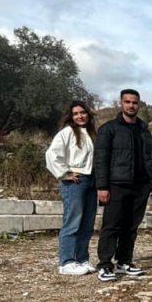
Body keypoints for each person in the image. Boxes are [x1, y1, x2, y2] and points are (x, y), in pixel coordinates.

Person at [93, 89, 152, 282]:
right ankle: (105, 265)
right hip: (117, 184)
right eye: (127, 102)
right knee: (112, 225)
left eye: (135, 102)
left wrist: (151, 181)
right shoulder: (108, 129)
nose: (131, 106)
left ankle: (124, 261)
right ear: (121, 103)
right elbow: (101, 159)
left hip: (140, 185)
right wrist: (102, 186)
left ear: (139, 105)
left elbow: (148, 157)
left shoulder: (144, 130)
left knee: (131, 226)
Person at [45, 99, 97, 275]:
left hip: (92, 180)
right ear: (71, 116)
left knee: (87, 223)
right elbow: (52, 155)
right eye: (76, 113)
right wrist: (65, 174)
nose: (80, 116)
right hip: (75, 181)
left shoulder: (91, 134)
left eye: (82, 112)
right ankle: (66, 261)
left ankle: (82, 258)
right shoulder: (66, 133)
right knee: (73, 221)